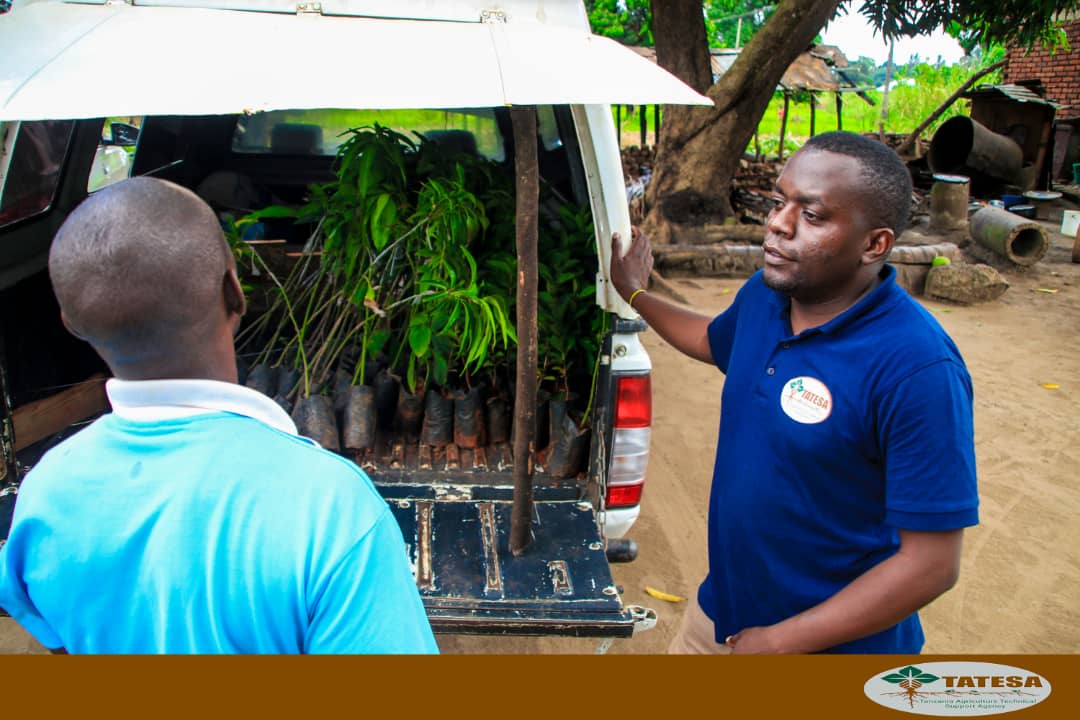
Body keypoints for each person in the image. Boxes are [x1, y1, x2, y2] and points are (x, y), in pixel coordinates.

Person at [0, 177, 438, 654]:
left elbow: (60, 642)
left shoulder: (45, 493)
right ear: (235, 290)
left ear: (72, 324)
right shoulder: (330, 506)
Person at [610, 131, 978, 654]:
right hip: (720, 617)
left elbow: (932, 565)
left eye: (813, 215)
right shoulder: (767, 295)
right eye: (780, 202)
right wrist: (635, 292)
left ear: (874, 244)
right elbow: (711, 339)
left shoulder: (917, 369)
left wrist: (782, 642)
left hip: (826, 652)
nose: (779, 224)